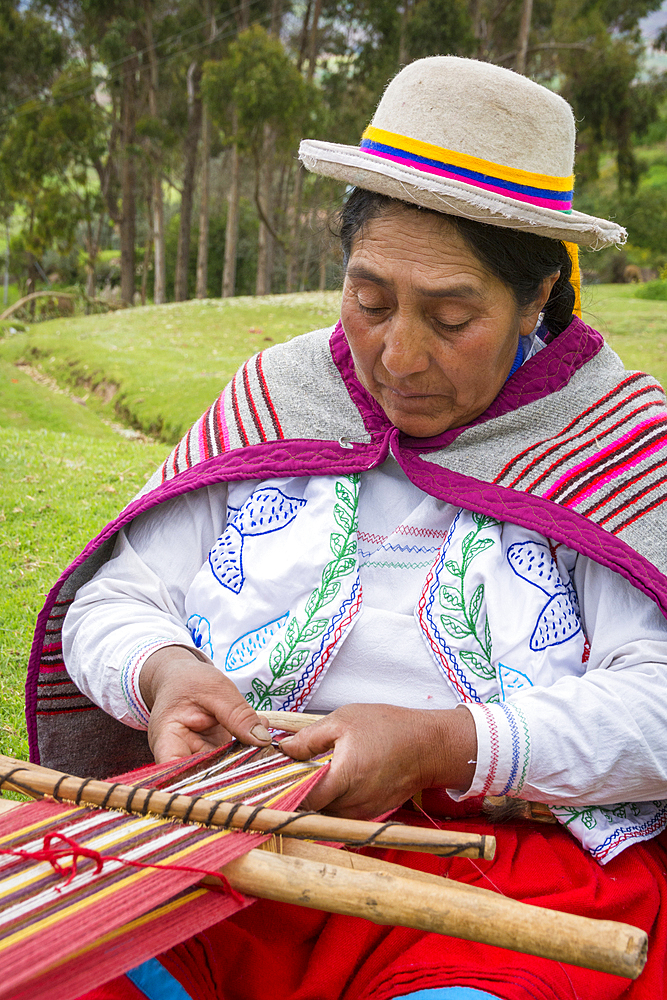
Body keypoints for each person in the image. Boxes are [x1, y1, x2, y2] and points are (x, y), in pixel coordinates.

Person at [28, 57, 667, 1000]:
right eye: (369, 301)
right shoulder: (280, 398)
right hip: (224, 842)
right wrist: (167, 673)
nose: (397, 356)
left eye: (451, 318)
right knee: (62, 973)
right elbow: (118, 597)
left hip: (503, 862)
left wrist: (448, 743)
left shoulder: (611, 441)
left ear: (538, 299)